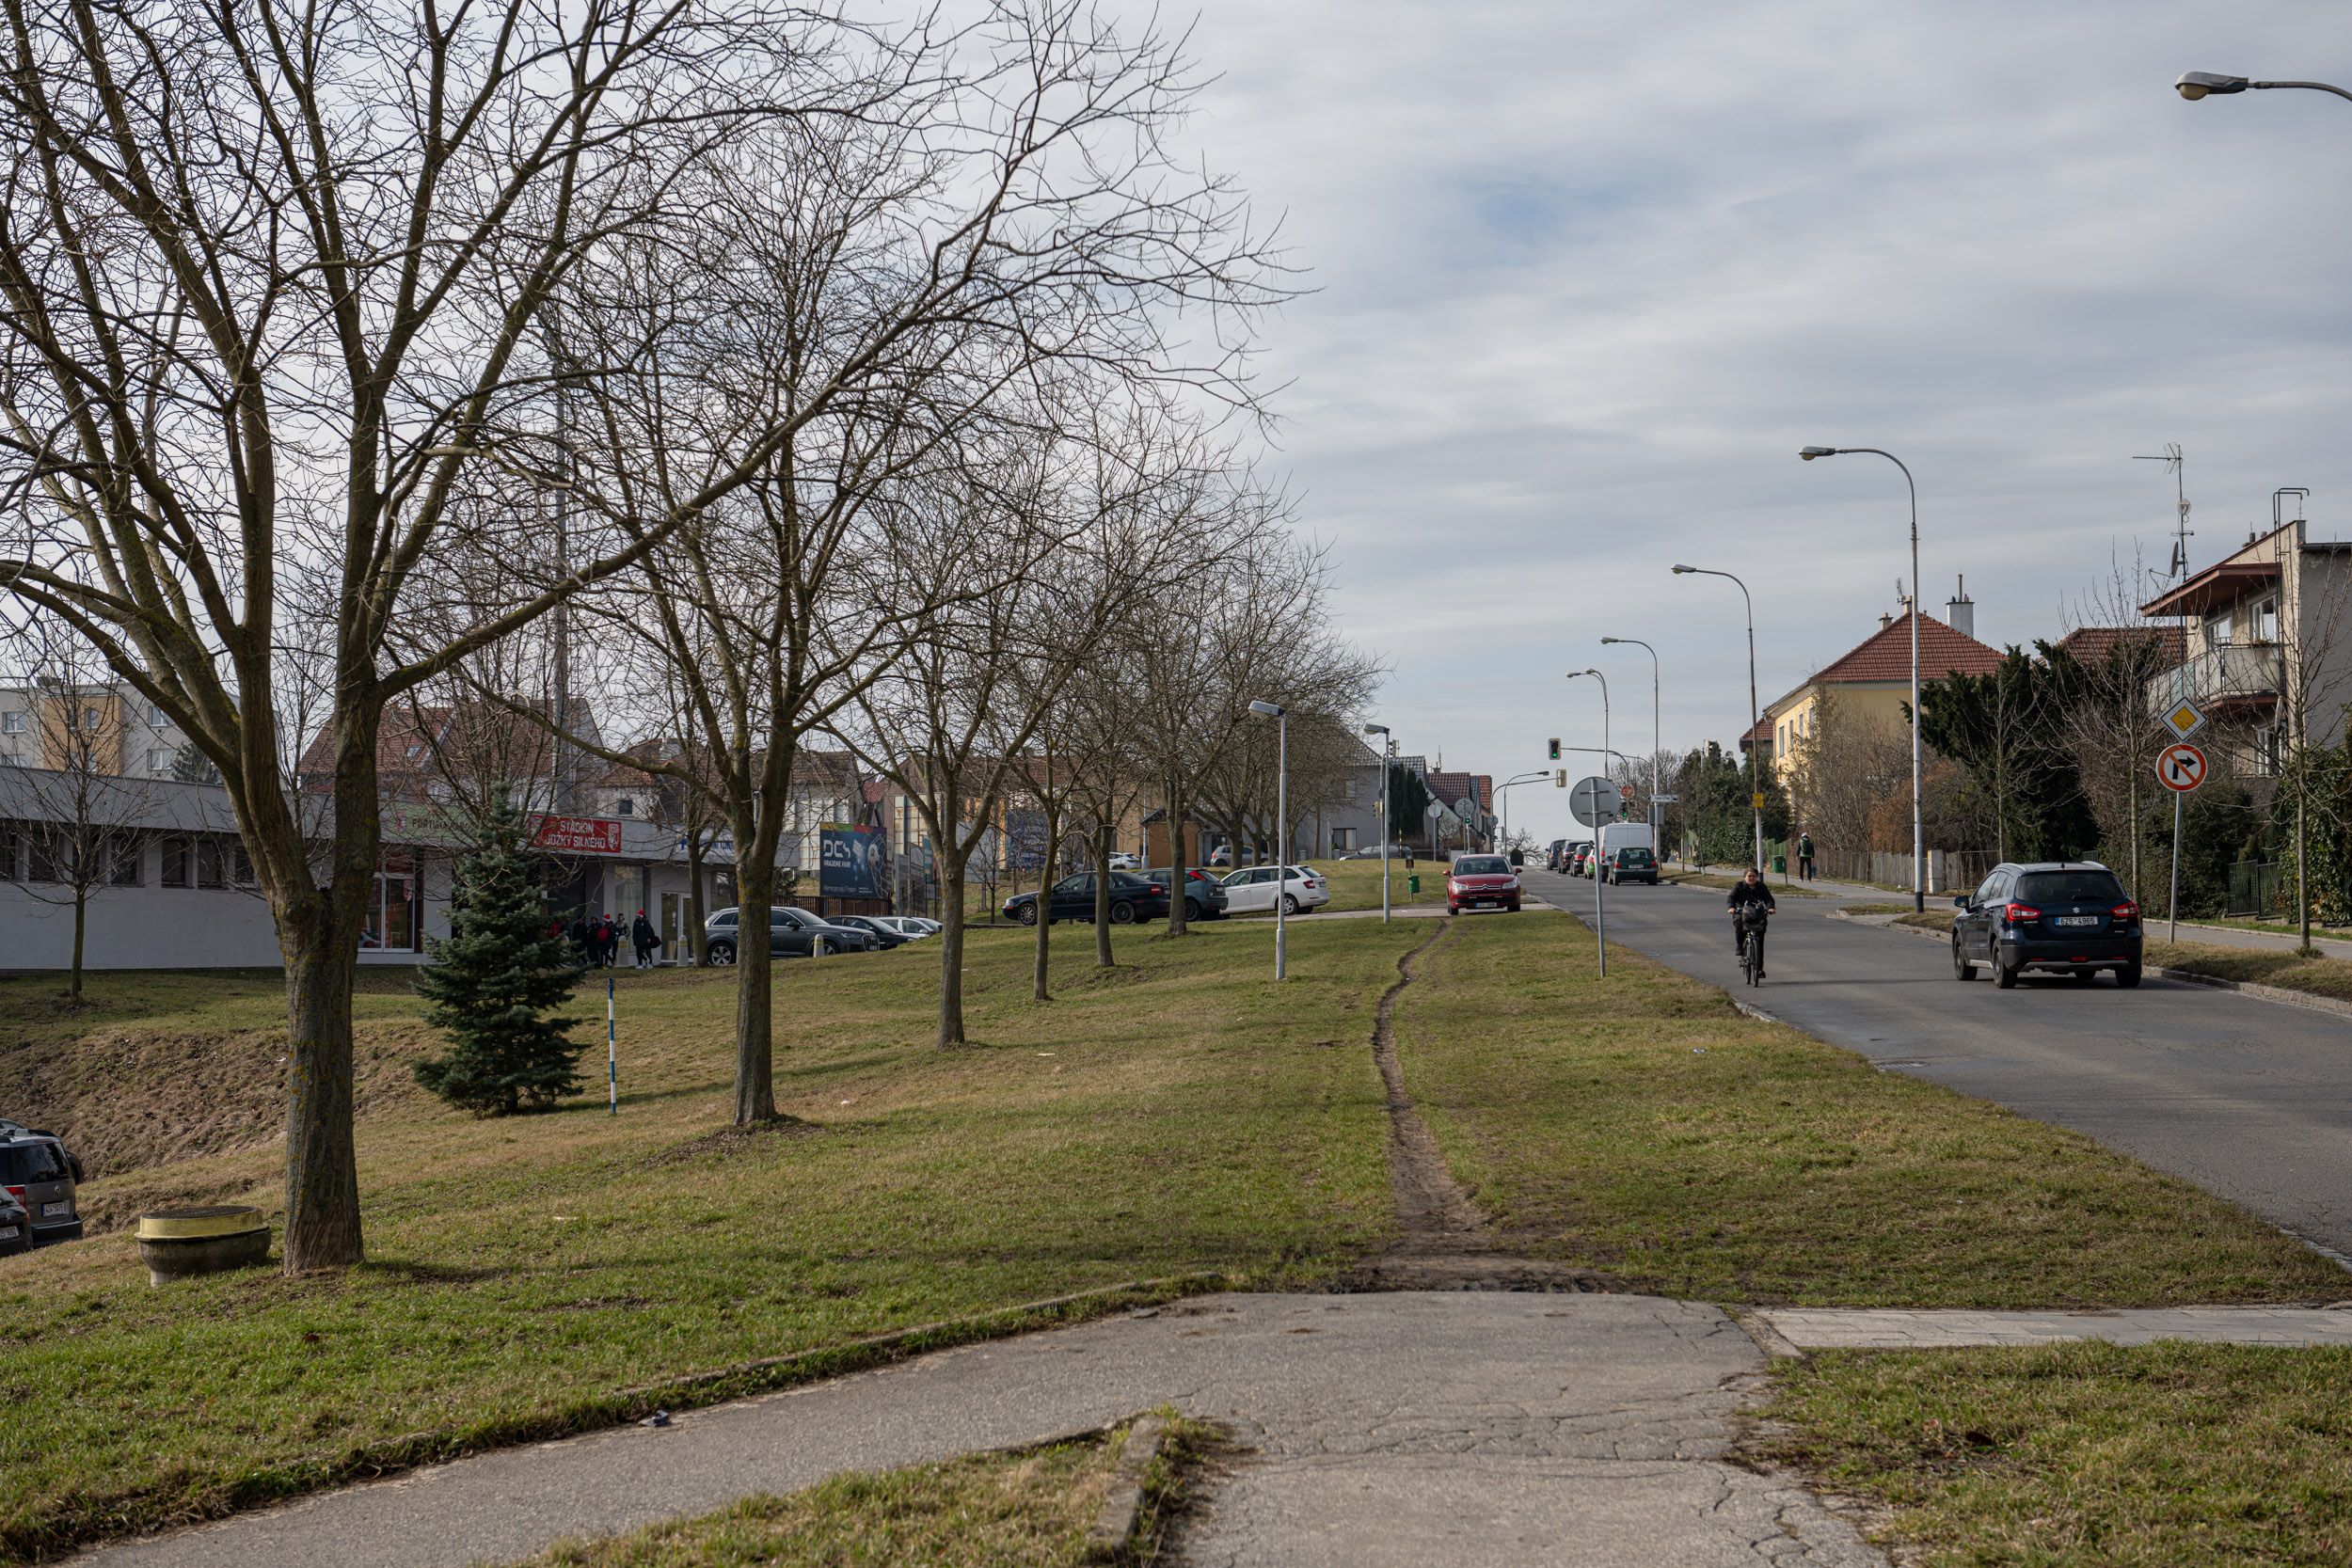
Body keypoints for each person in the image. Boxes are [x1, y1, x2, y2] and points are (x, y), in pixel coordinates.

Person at [1726, 866, 1776, 975]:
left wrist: (1771, 908)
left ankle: (1759, 970)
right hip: (1742, 914)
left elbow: (1769, 899)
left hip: (1758, 915)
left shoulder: (1761, 887)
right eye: (1749, 876)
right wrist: (1731, 907)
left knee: (1759, 942)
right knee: (1739, 926)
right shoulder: (1739, 886)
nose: (1751, 878)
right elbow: (1731, 898)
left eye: (1754, 876)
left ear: (1757, 877)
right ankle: (1740, 945)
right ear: (1745, 877)